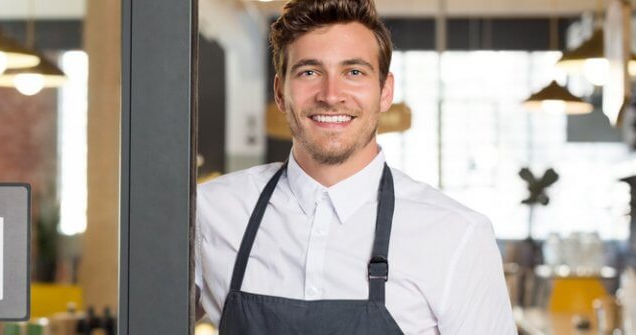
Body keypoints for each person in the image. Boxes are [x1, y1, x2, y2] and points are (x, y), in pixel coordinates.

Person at [194, 0, 516, 333]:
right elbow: (143, 312)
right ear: (280, 92)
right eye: (309, 72)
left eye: (354, 72)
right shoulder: (210, 212)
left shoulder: (458, 235)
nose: (331, 95)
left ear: (385, 91)